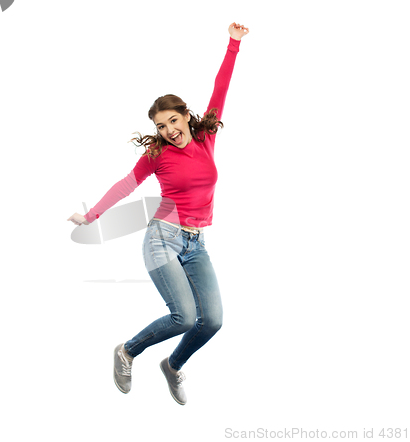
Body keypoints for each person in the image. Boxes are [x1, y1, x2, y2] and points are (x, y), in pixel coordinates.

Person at [67, 22, 249, 405]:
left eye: (173, 121)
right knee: (183, 316)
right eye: (161, 126)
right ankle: (128, 351)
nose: (169, 131)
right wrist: (92, 216)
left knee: (212, 320)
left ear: (186, 116)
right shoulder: (157, 156)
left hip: (196, 243)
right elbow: (125, 184)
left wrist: (233, 44)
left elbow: (221, 89)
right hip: (162, 239)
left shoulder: (206, 137)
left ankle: (173, 365)